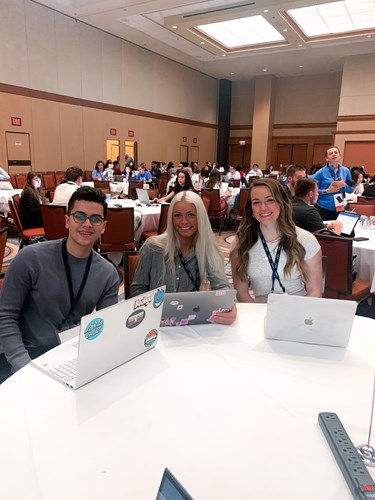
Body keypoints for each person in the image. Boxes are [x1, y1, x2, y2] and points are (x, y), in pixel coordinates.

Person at [0, 186, 119, 382]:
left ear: (103, 226)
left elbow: (105, 328)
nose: (87, 224)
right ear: (67, 220)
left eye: (95, 219)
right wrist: (24, 367)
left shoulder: (108, 273)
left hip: (70, 355)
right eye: (79, 216)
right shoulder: (30, 258)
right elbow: (5, 316)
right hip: (23, 355)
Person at [131, 191, 236, 324]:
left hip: (192, 321)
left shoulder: (207, 248)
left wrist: (229, 306)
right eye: (177, 216)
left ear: (200, 217)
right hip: (156, 323)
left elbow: (221, 287)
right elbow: (138, 289)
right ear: (171, 218)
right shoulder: (153, 247)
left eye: (191, 215)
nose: (184, 221)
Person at [230, 178, 322, 303]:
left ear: (282, 203)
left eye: (270, 200)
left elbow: (314, 291)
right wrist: (259, 317)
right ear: (251, 209)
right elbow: (241, 293)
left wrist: (297, 316)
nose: (263, 207)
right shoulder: (241, 242)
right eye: (256, 202)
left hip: (296, 310)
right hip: (259, 312)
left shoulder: (305, 240)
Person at [310, 146, 353, 220]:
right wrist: (327, 191)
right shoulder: (320, 172)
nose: (334, 154)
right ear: (326, 158)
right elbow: (312, 190)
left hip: (339, 205)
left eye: (336, 152)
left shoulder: (346, 171)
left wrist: (344, 185)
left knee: (339, 229)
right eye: (331, 153)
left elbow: (350, 189)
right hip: (323, 206)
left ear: (340, 156)